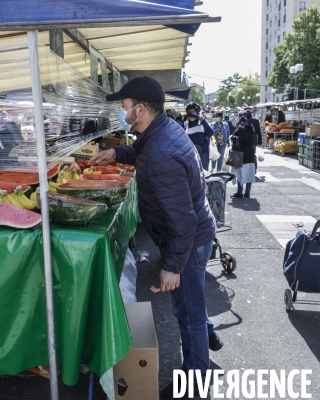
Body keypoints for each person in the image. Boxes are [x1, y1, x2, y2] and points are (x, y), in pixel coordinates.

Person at [89, 77, 220, 400]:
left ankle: (195, 383)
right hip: (194, 232)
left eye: (124, 108)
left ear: (140, 109)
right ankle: (208, 337)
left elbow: (181, 219)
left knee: (186, 312)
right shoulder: (161, 131)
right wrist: (118, 152)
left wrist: (172, 266)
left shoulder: (162, 151)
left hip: (188, 239)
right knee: (192, 304)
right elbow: (142, 152)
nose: (123, 114)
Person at [230, 111, 256, 199]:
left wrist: (234, 137)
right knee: (249, 173)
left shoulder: (241, 126)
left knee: (240, 173)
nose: (238, 117)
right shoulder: (250, 126)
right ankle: (247, 192)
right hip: (250, 152)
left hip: (241, 153)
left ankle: (239, 192)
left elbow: (244, 137)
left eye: (239, 116)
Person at [185, 102, 214, 171]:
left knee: (204, 173)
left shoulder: (203, 122)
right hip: (192, 154)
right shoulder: (186, 124)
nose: (190, 113)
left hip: (203, 153)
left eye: (192, 111)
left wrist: (203, 121)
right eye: (189, 112)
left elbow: (210, 133)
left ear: (197, 112)